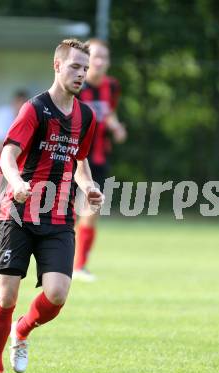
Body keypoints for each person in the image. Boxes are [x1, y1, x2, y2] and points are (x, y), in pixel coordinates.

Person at [0, 38, 104, 373]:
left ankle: (23, 330)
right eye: (75, 66)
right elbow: (7, 154)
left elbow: (79, 162)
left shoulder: (86, 116)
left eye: (85, 67)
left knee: (57, 294)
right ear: (57, 65)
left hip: (58, 216)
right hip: (18, 213)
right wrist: (16, 181)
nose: (82, 73)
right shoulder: (35, 109)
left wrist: (87, 187)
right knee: (6, 295)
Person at [73, 38, 127, 282]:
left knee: (91, 211)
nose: (99, 62)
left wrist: (116, 127)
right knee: (67, 214)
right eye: (95, 56)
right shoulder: (74, 85)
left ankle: (80, 266)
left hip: (98, 158)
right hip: (72, 159)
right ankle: (60, 262)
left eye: (104, 57)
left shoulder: (112, 87)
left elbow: (110, 111)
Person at [0, 90, 29, 162]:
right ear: (14, 102)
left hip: (17, 155)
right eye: (20, 103)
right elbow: (1, 142)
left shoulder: (26, 116)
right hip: (1, 154)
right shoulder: (3, 113)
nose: (22, 106)